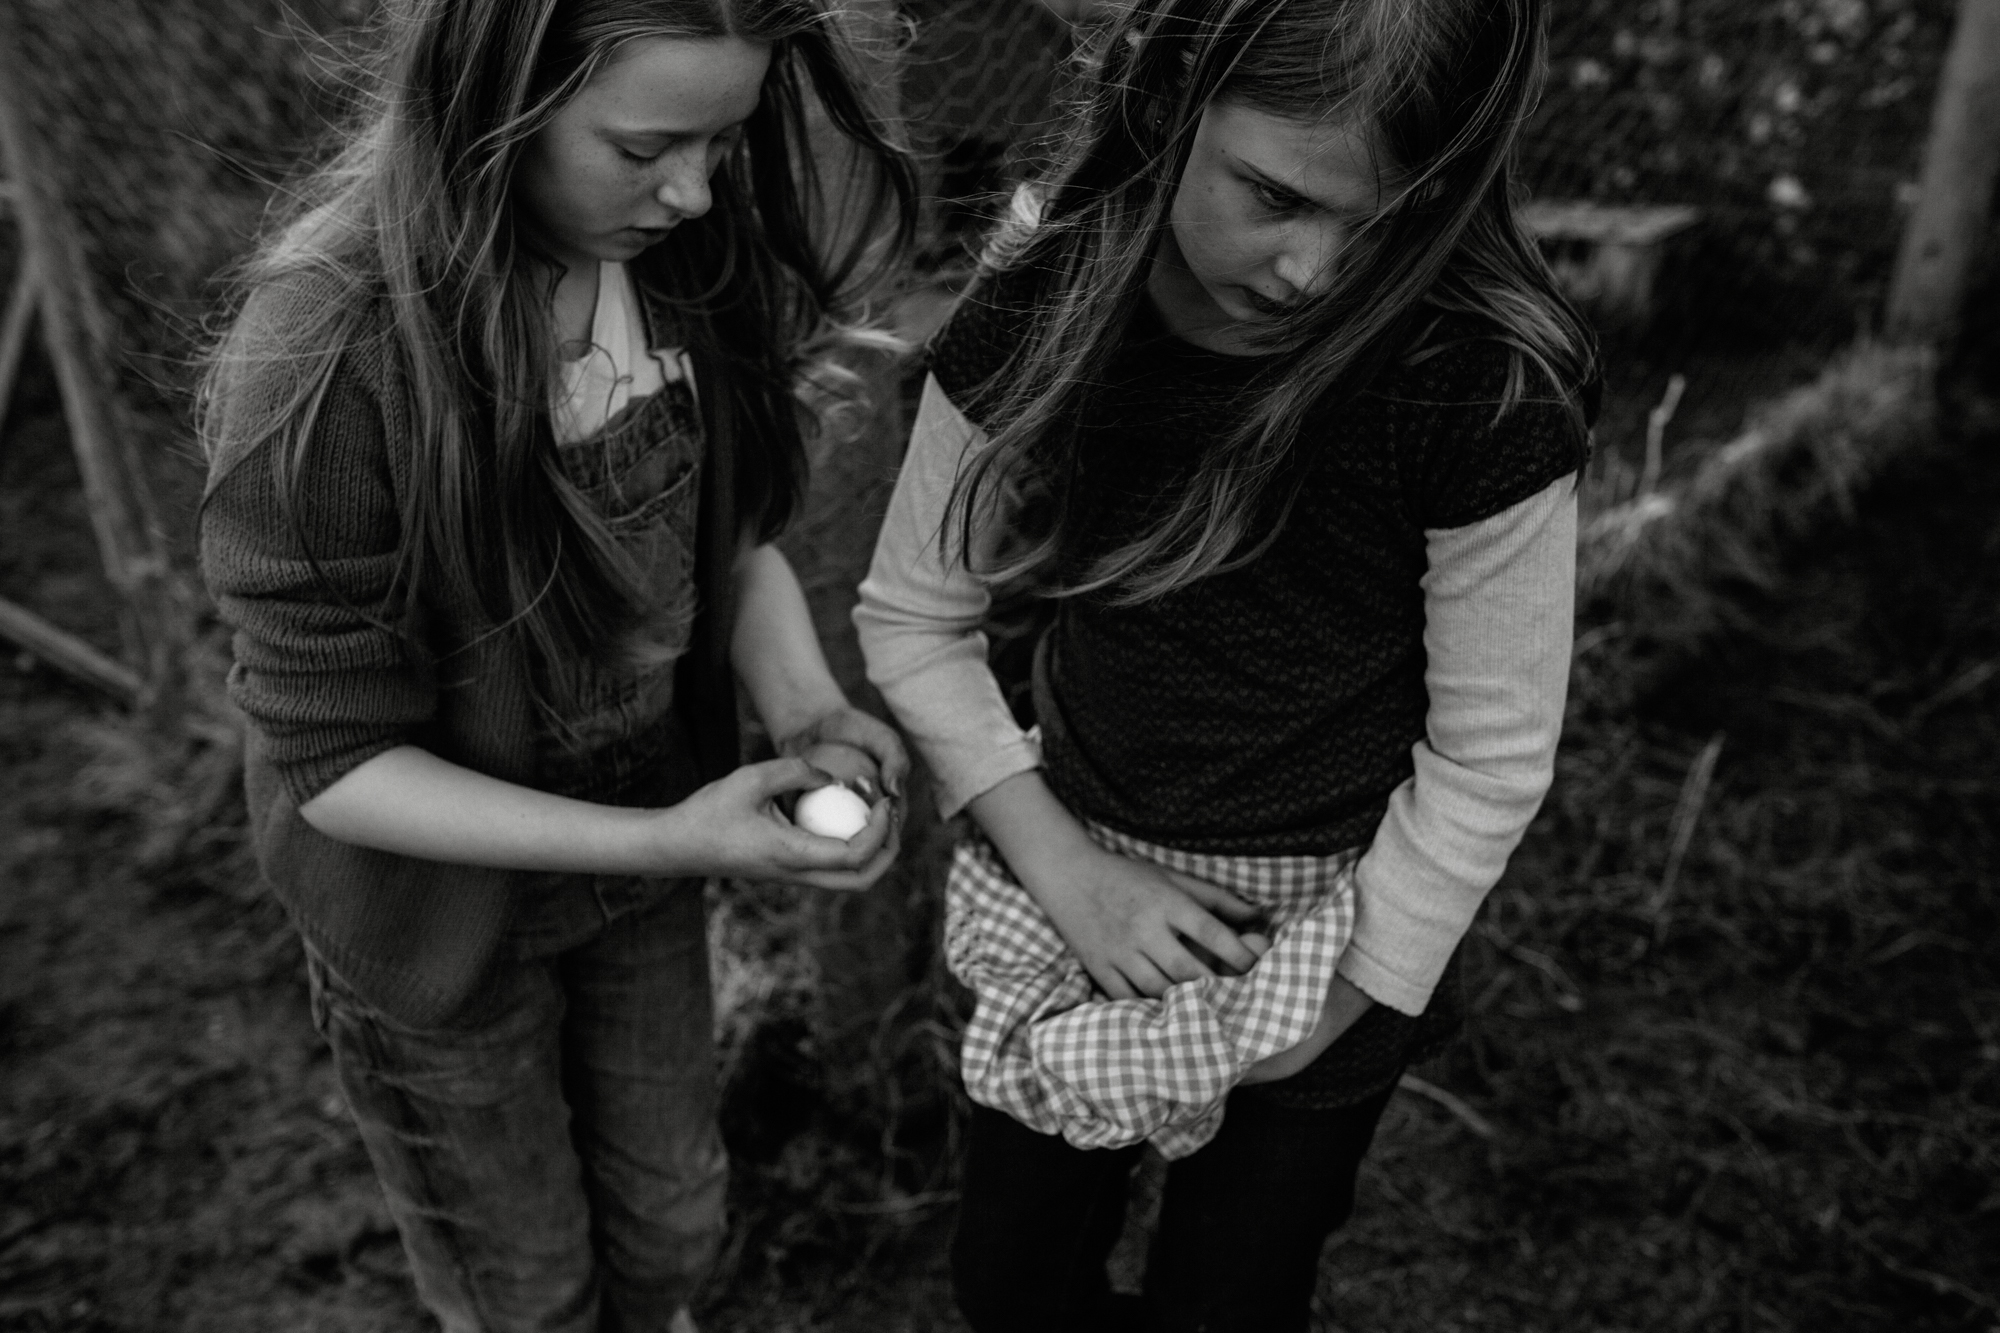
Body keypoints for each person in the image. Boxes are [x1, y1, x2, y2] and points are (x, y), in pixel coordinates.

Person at [855, 0, 1598, 1329]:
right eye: (1276, 196)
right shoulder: (1044, 300)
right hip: (1073, 889)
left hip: (1331, 927)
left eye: (1383, 224)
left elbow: (1490, 757)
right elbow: (913, 616)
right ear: (1171, 97)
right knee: (1012, 1283)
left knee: (1234, 1295)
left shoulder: (1477, 383)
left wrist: (1345, 1000)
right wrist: (1066, 870)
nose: (1315, 273)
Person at [196, 3, 916, 1329]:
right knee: (522, 1279)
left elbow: (732, 535)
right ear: (498, 104)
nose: (695, 192)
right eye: (645, 148)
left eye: (723, 141)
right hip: (435, 920)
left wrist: (807, 705)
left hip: (644, 860)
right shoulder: (327, 356)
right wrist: (672, 839)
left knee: (675, 1213)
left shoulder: (680, 262)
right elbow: (336, 762)